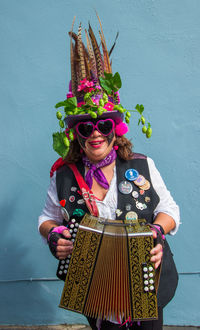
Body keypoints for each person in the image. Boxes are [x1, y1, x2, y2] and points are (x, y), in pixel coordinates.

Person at [38, 16, 180, 330]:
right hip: (93, 286)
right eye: (86, 127)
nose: (96, 134)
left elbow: (169, 210)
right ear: (76, 134)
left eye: (103, 125)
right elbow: (46, 219)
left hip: (148, 279)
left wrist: (156, 233)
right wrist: (54, 235)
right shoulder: (63, 176)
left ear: (115, 129)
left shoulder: (142, 165)